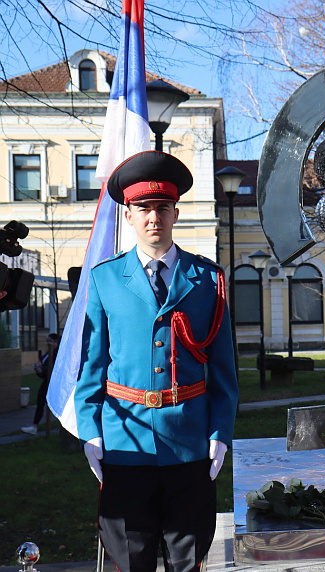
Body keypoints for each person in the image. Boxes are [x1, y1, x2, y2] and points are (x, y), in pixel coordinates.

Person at [75, 151, 239, 572]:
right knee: (131, 557)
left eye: (162, 208)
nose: (153, 218)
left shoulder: (208, 280)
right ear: (128, 216)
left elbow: (224, 371)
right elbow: (91, 366)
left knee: (188, 557)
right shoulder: (104, 279)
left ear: (176, 213)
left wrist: (220, 433)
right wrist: (90, 431)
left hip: (188, 441)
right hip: (124, 442)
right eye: (143, 209)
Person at [21, 332, 59, 435]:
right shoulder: (48, 352)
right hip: (46, 380)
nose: (48, 343)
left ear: (56, 342)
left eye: (50, 341)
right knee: (40, 402)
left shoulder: (57, 353)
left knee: (51, 403)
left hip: (52, 382)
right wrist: (40, 371)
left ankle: (37, 426)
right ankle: (35, 426)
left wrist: (43, 370)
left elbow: (53, 367)